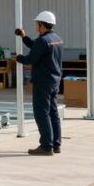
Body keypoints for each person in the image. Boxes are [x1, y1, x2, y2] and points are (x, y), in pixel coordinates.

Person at [16, 11, 64, 156]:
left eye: (37, 23)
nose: (36, 26)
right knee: (53, 113)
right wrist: (24, 37)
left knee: (41, 113)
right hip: (54, 80)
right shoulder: (56, 38)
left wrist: (18, 58)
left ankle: (46, 146)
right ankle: (56, 144)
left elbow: (31, 59)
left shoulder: (43, 41)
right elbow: (36, 47)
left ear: (41, 24)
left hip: (43, 82)